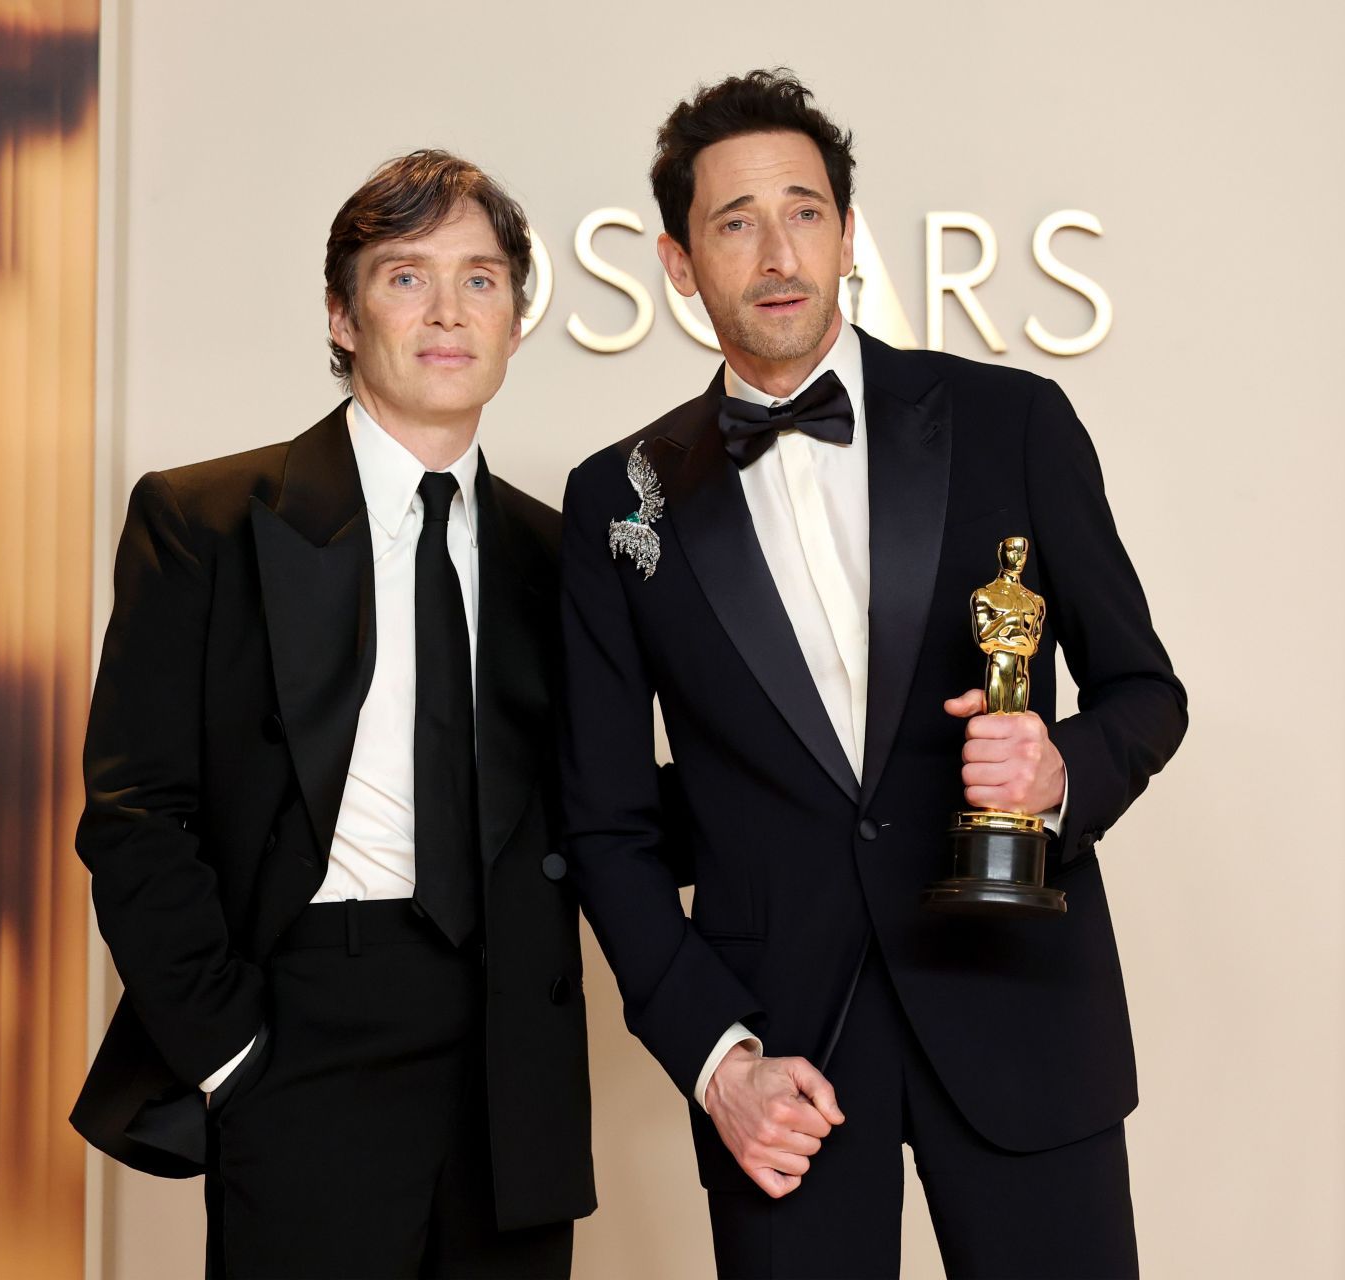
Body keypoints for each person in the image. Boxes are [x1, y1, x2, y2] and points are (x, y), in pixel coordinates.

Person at [559, 71, 1186, 1278]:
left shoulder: (1014, 420)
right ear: (681, 263)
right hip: (784, 1059)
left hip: (1020, 1006)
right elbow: (604, 823)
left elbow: (1145, 691)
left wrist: (1059, 770)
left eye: (804, 210)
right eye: (735, 221)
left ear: (849, 234)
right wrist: (715, 1059)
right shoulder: (616, 499)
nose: (777, 249)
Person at [70, 149, 592, 1278]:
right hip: (305, 1026)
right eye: (406, 277)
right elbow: (134, 812)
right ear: (342, 315)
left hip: (515, 1046)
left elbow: (603, 806)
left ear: (514, 317)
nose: (449, 311)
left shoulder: (554, 553)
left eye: (483, 279)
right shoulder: (203, 519)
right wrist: (229, 1048)